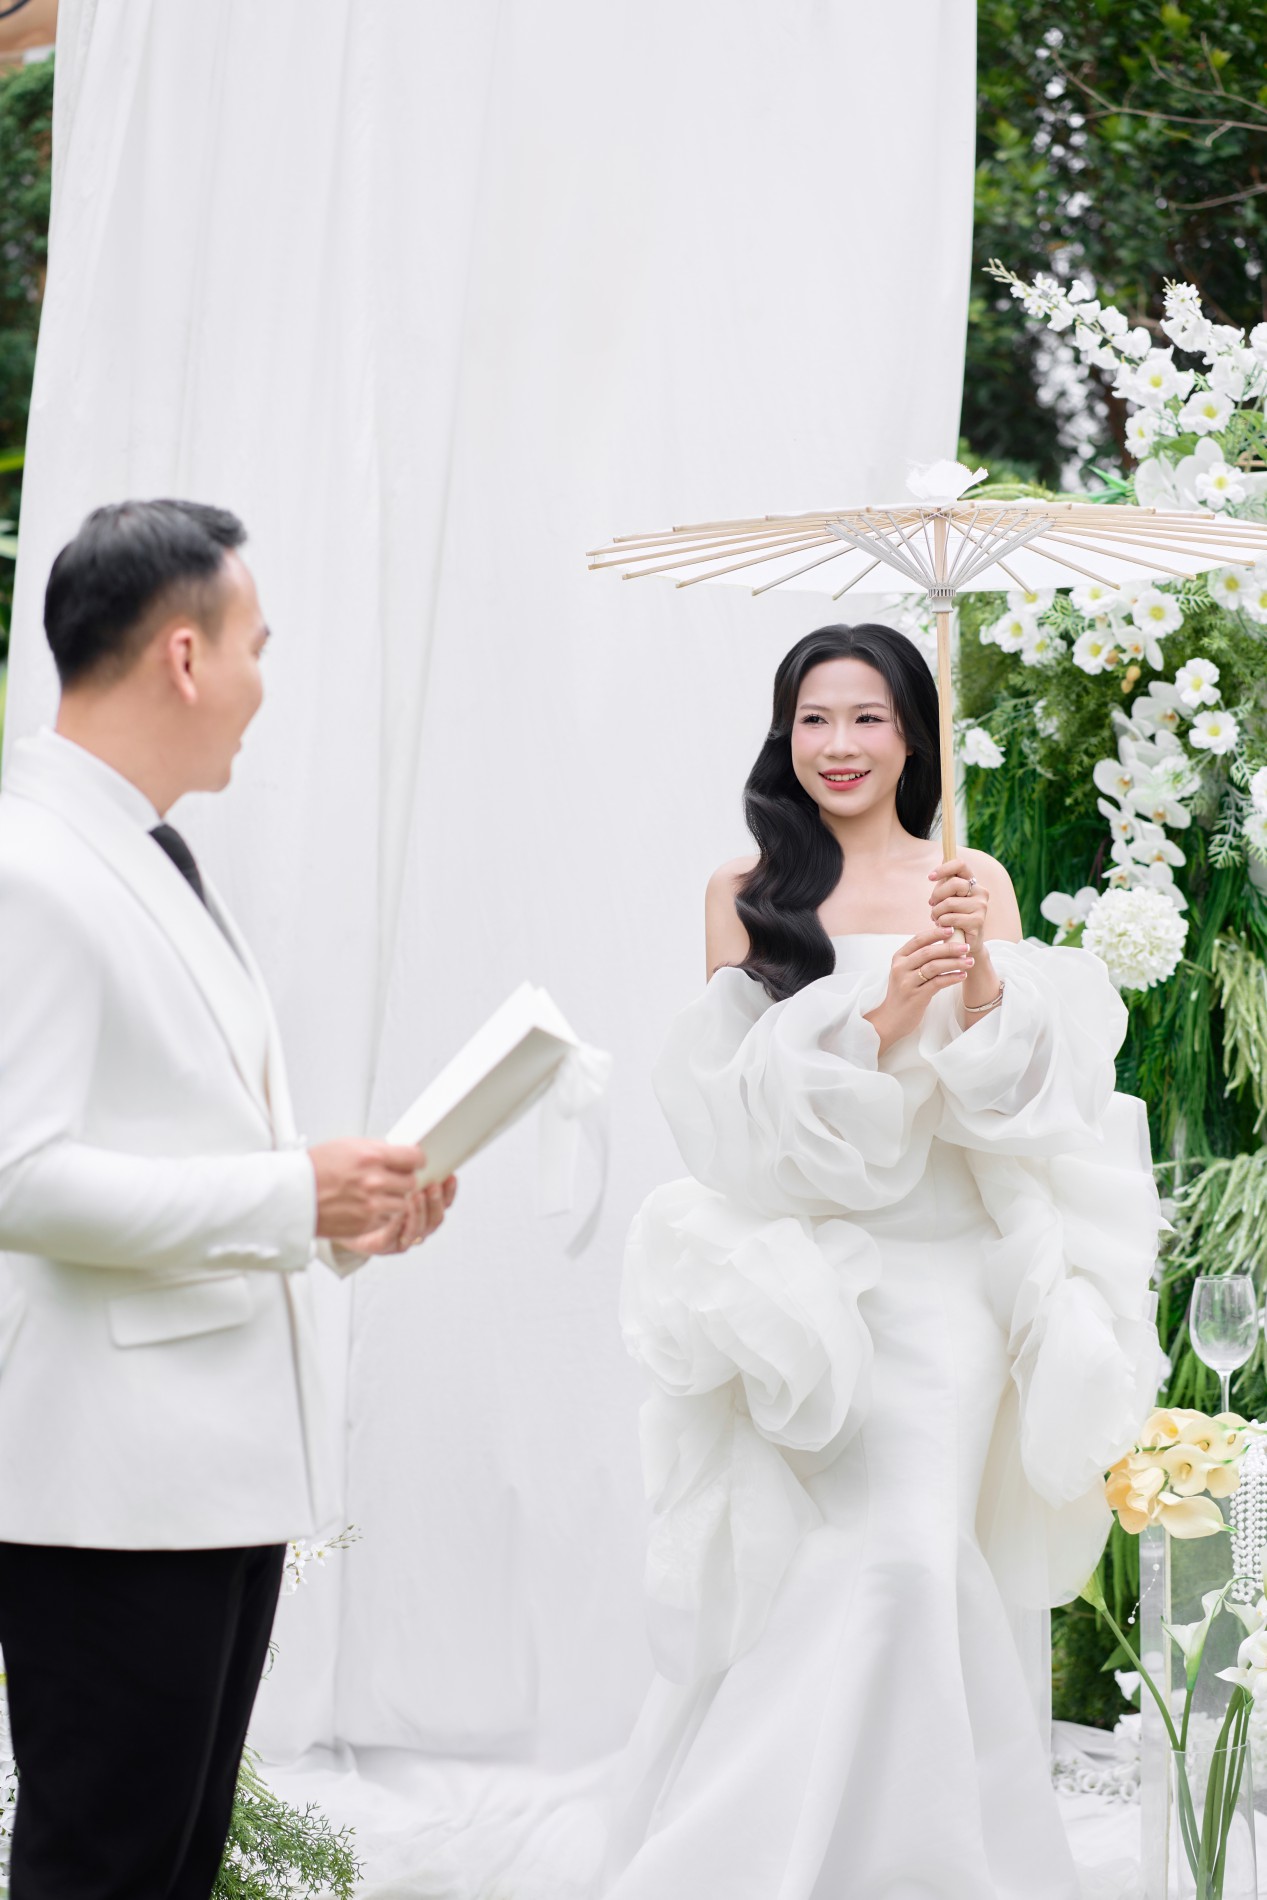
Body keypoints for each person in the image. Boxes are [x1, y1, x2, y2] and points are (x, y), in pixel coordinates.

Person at [605, 623, 1166, 1899]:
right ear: (783, 734)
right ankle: (759, 1853)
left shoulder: (973, 880)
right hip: (811, 1280)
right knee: (820, 1561)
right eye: (813, 718)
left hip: (952, 1277)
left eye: (866, 717)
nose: (839, 744)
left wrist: (983, 985)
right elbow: (735, 1124)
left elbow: (1027, 1109)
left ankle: (920, 1860)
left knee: (914, 1552)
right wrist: (883, 1012)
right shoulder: (745, 890)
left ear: (914, 735)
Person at [0, 499, 457, 1899]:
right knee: (105, 1863)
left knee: (169, 1862)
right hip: (109, 1488)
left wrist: (339, 1209)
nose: (266, 681)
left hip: (203, 1474)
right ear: (186, 656)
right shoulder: (33, 867)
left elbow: (172, 1133)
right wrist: (288, 1191)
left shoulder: (139, 849)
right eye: (259, 645)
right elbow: (16, 1174)